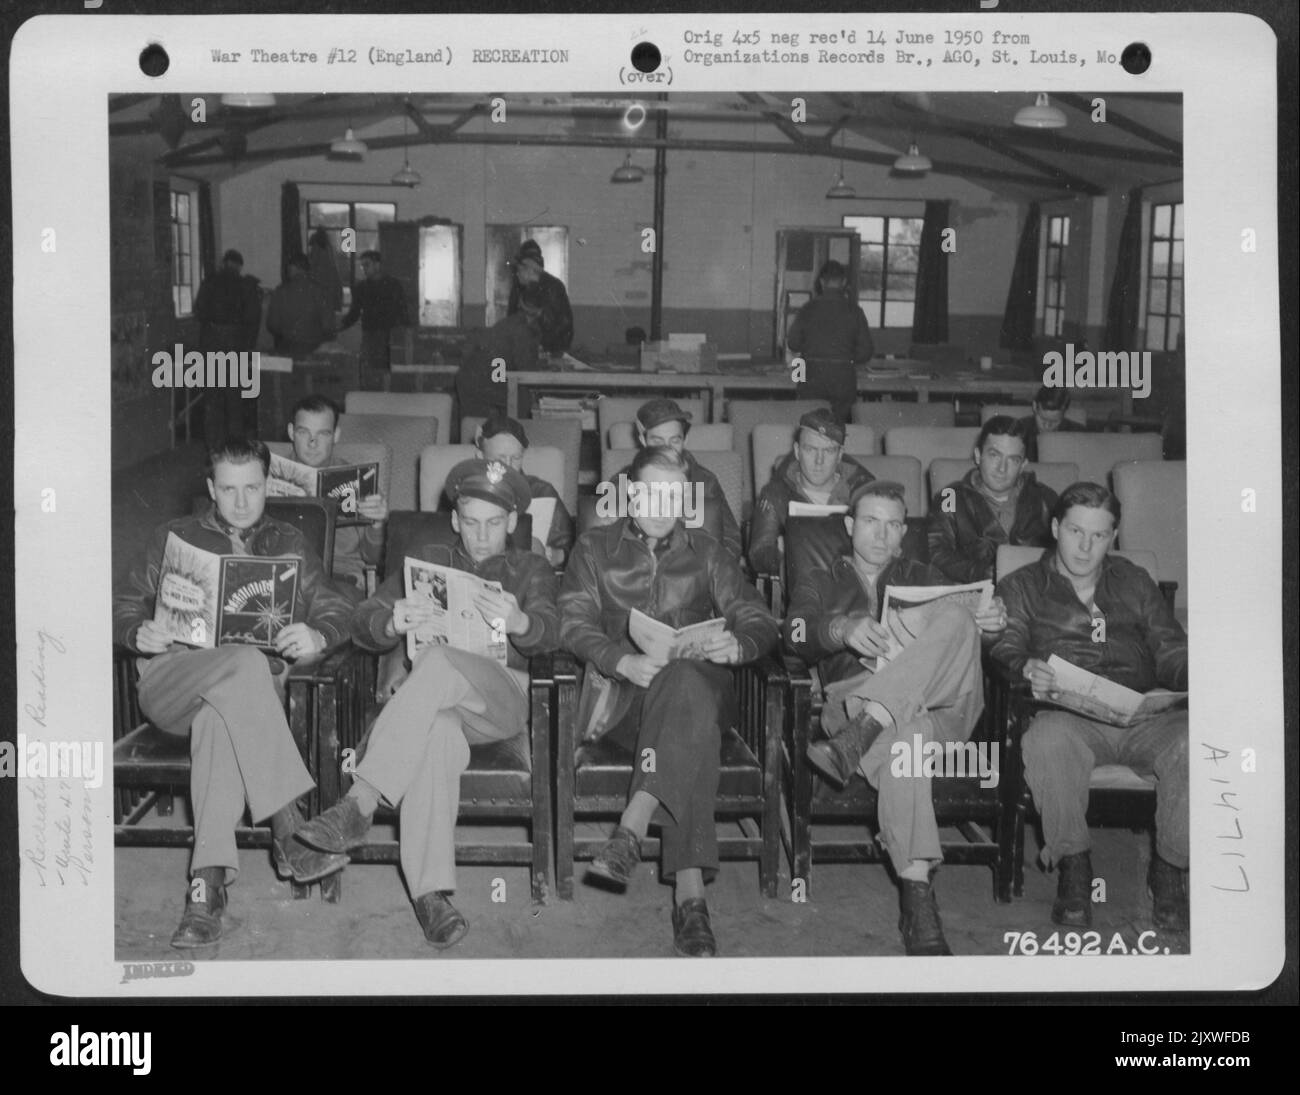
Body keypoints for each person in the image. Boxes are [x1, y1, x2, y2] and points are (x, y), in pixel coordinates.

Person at [294, 460, 559, 948]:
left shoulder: (532, 567)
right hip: (444, 704)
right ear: (455, 519)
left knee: (436, 661)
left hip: (502, 701)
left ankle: (360, 801)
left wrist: (522, 622)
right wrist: (392, 620)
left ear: (514, 523)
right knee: (435, 732)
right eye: (471, 522)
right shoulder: (426, 558)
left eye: (495, 524)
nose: (482, 536)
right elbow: (363, 621)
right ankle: (430, 893)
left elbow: (552, 632)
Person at [112, 438, 356, 948]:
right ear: (210, 489)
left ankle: (205, 892)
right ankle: (288, 828)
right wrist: (137, 631)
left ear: (268, 485)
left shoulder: (290, 542)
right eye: (228, 490)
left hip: (237, 707)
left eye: (252, 489)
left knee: (219, 723)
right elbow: (123, 602)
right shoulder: (174, 536)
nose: (241, 502)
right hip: (173, 683)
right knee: (245, 662)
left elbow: (337, 609)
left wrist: (318, 634)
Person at [559, 446, 780, 957]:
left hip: (697, 692)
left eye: (674, 493)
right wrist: (620, 660)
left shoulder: (707, 551)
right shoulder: (594, 548)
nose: (662, 503)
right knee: (691, 735)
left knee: (685, 684)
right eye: (651, 491)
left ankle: (632, 826)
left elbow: (758, 617)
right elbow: (571, 623)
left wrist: (738, 644)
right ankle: (691, 896)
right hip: (622, 704)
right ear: (630, 493)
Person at [785, 480, 1008, 955]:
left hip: (941, 705)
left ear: (904, 532)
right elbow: (795, 633)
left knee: (956, 618)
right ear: (849, 526)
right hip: (856, 701)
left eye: (892, 525)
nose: (881, 535)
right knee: (907, 740)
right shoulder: (820, 580)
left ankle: (867, 730)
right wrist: (840, 628)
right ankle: (918, 898)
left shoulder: (926, 575)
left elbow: (971, 648)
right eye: (870, 522)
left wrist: (992, 627)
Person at [991, 482, 1189, 932]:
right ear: (1056, 528)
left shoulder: (1134, 580)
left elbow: (1169, 648)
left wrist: (1195, 676)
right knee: (1045, 738)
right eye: (1075, 531)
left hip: (1142, 717)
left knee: (1195, 740)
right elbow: (1005, 646)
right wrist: (1026, 667)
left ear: (1113, 537)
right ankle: (1075, 869)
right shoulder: (1023, 585)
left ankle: (1171, 868)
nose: (1085, 546)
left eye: (1098, 536)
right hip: (1071, 719)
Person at [927, 415, 1058, 583]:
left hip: (1034, 596)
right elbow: (936, 552)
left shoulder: (1045, 498)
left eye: (1013, 459)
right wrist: (989, 574)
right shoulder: (950, 496)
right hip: (976, 593)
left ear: (1023, 465)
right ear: (978, 456)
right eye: (994, 455)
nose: (1002, 468)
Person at [748, 408, 875, 576]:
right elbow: (758, 557)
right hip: (802, 589)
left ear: (840, 455)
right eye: (810, 449)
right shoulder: (777, 494)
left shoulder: (863, 493)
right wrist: (781, 552)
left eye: (828, 451)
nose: (819, 461)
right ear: (797, 451)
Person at [616, 398, 743, 561]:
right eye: (657, 441)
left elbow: (731, 542)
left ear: (685, 440)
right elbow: (609, 541)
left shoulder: (705, 482)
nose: (667, 449)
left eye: (675, 440)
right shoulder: (623, 481)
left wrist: (710, 574)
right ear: (642, 440)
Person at [285, 396, 388, 595]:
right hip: (286, 574)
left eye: (322, 434)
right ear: (291, 432)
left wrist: (377, 525)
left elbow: (374, 560)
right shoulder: (266, 475)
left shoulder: (360, 481)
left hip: (340, 578)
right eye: (303, 432)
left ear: (336, 435)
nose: (312, 443)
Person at [471, 413, 574, 568]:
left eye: (516, 458)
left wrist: (552, 555)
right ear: (480, 457)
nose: (508, 466)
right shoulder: (464, 493)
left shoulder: (541, 492)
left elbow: (575, 550)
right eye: (499, 459)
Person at [785, 260, 874, 422]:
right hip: (843, 380)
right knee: (840, 429)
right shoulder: (855, 311)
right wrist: (846, 357)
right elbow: (865, 352)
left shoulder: (808, 308)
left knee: (811, 428)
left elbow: (793, 343)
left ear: (821, 282)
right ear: (844, 282)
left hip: (811, 378)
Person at [193, 248, 263, 441]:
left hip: (211, 343)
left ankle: (213, 448)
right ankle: (235, 446)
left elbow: (198, 312)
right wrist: (249, 346)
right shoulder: (246, 285)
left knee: (212, 399)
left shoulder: (209, 282)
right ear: (239, 266)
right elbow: (253, 318)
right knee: (234, 399)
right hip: (235, 343)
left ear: (224, 263)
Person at [455, 284, 543, 421]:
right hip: (481, 379)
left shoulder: (511, 322)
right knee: (522, 398)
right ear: (540, 311)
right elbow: (527, 370)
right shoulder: (522, 330)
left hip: (473, 375)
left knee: (475, 426)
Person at [339, 251, 410, 374]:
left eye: (367, 265)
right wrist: (340, 325)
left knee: (388, 372)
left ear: (377, 265)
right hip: (370, 336)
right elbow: (354, 313)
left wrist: (406, 334)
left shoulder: (393, 285)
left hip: (390, 336)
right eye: (362, 266)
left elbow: (402, 310)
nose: (364, 269)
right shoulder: (361, 287)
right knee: (369, 372)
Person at [507, 239, 573, 354]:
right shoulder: (518, 287)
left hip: (550, 350)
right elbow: (511, 318)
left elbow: (562, 325)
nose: (517, 273)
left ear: (530, 269)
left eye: (520, 269)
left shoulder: (553, 287)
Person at [266, 254, 335, 358]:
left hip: (287, 346)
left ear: (293, 268)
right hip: (315, 348)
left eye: (289, 268)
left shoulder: (280, 291)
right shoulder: (320, 291)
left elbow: (272, 324)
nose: (288, 271)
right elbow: (329, 326)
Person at [1018, 384, 1084, 462]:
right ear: (1035, 406)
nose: (1047, 426)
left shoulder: (1077, 434)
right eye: (1043, 419)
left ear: (1064, 413)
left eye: (1054, 421)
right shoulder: (1019, 430)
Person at [307, 227, 344, 313]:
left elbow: (313, 262)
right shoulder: (329, 246)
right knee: (329, 306)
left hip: (320, 278)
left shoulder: (316, 246)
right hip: (331, 278)